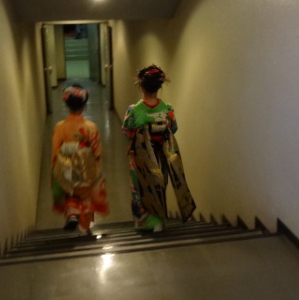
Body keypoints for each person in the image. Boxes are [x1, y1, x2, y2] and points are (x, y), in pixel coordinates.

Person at [122, 65, 195, 231]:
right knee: (159, 184)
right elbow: (173, 128)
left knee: (140, 187)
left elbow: (127, 130)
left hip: (140, 156)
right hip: (161, 154)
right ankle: (159, 222)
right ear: (160, 86)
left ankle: (144, 223)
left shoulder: (134, 110)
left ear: (141, 86)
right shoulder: (168, 109)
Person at [51, 84, 109, 235]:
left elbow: (55, 151)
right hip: (86, 168)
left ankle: (72, 211)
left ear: (66, 104)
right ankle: (84, 227)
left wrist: (54, 173)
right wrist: (98, 172)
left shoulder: (60, 127)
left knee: (70, 192)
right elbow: (97, 152)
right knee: (86, 197)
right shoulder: (90, 127)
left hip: (67, 167)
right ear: (84, 105)